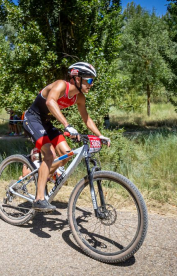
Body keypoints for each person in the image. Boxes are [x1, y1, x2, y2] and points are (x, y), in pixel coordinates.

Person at [22, 62, 111, 212]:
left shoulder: (79, 98)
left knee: (66, 154)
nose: (91, 84)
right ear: (77, 78)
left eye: (92, 81)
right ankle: (39, 199)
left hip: (46, 123)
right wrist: (67, 125)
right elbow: (50, 102)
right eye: (89, 80)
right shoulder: (61, 85)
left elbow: (87, 119)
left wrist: (100, 135)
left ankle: (41, 176)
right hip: (32, 118)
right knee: (50, 155)